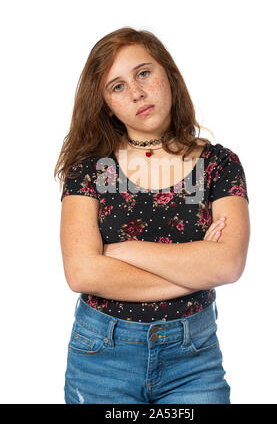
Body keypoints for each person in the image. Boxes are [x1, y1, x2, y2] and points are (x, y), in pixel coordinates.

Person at [55, 27, 250, 404]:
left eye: (143, 73)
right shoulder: (89, 170)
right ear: (106, 105)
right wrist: (194, 269)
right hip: (101, 358)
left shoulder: (219, 164)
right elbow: (82, 273)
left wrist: (120, 250)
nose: (137, 93)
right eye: (117, 86)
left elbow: (227, 264)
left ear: (168, 75)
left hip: (194, 361)